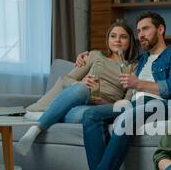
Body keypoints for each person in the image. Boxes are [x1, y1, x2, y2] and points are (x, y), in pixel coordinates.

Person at [69, 11, 171, 170]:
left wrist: (139, 84)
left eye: (145, 29)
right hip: (132, 105)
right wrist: (86, 56)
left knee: (128, 118)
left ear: (160, 29)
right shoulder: (140, 59)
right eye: (138, 31)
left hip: (159, 105)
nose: (140, 34)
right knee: (92, 115)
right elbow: (114, 55)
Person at [15, 19, 139, 156]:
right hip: (82, 94)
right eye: (113, 36)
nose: (117, 40)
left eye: (123, 37)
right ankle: (35, 130)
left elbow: (126, 104)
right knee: (82, 88)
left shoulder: (134, 67)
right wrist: (82, 83)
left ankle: (48, 115)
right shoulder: (95, 55)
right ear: (108, 39)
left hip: (98, 108)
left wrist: (103, 103)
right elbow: (67, 79)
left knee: (85, 116)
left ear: (130, 41)